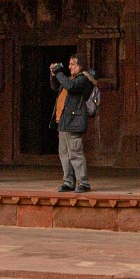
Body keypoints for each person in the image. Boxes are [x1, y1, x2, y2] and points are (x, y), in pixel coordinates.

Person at [48, 55, 96, 192]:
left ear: (81, 66)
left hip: (74, 122)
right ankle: (68, 181)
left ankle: (83, 182)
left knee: (75, 153)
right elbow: (56, 87)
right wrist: (53, 75)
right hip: (63, 121)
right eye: (69, 64)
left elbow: (70, 86)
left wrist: (58, 72)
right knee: (64, 154)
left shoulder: (83, 80)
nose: (70, 67)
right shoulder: (69, 79)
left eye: (73, 64)